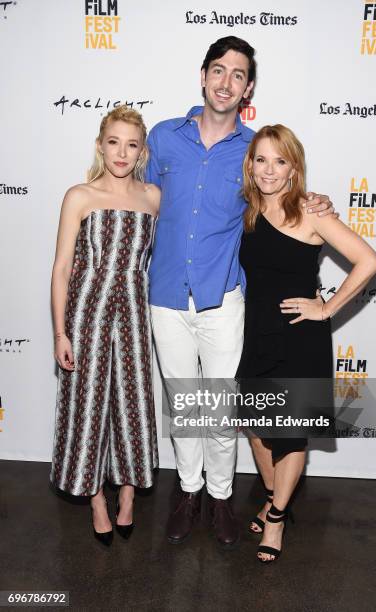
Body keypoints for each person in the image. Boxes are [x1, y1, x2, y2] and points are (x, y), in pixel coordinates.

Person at [146, 36, 335, 548]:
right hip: (165, 294)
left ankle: (223, 498)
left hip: (225, 297)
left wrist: (317, 200)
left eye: (238, 74)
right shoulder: (162, 137)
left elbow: (283, 194)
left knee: (223, 408)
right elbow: (134, 195)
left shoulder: (254, 151)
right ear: (203, 75)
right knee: (186, 404)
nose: (226, 81)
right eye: (218, 70)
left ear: (247, 86)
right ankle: (188, 494)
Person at [236, 124, 376, 562]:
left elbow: (369, 261)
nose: (269, 169)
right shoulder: (246, 209)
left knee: (291, 436)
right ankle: (271, 494)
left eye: (280, 161)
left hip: (300, 338)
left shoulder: (312, 212)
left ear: (294, 167)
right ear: (250, 164)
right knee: (258, 428)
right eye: (261, 159)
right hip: (257, 333)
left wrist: (327, 307)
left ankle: (277, 517)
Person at [50, 106, 160, 546]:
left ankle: (128, 496)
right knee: (87, 408)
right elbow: (60, 268)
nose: (122, 152)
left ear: (142, 150)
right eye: (113, 142)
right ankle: (96, 501)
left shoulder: (153, 197)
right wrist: (60, 332)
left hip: (134, 314)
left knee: (133, 407)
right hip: (86, 315)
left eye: (131, 144)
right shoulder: (79, 195)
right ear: (100, 144)